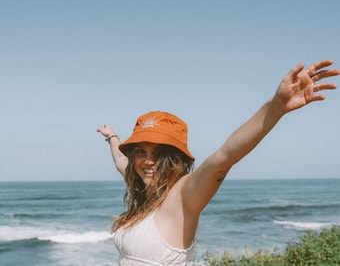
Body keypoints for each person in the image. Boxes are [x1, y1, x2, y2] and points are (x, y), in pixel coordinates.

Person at [97, 60, 339, 265]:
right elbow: (121, 160)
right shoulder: (143, 187)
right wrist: (112, 137)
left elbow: (224, 157)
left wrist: (276, 107)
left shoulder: (183, 196)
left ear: (175, 159)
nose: (148, 161)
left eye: (159, 153)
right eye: (140, 151)